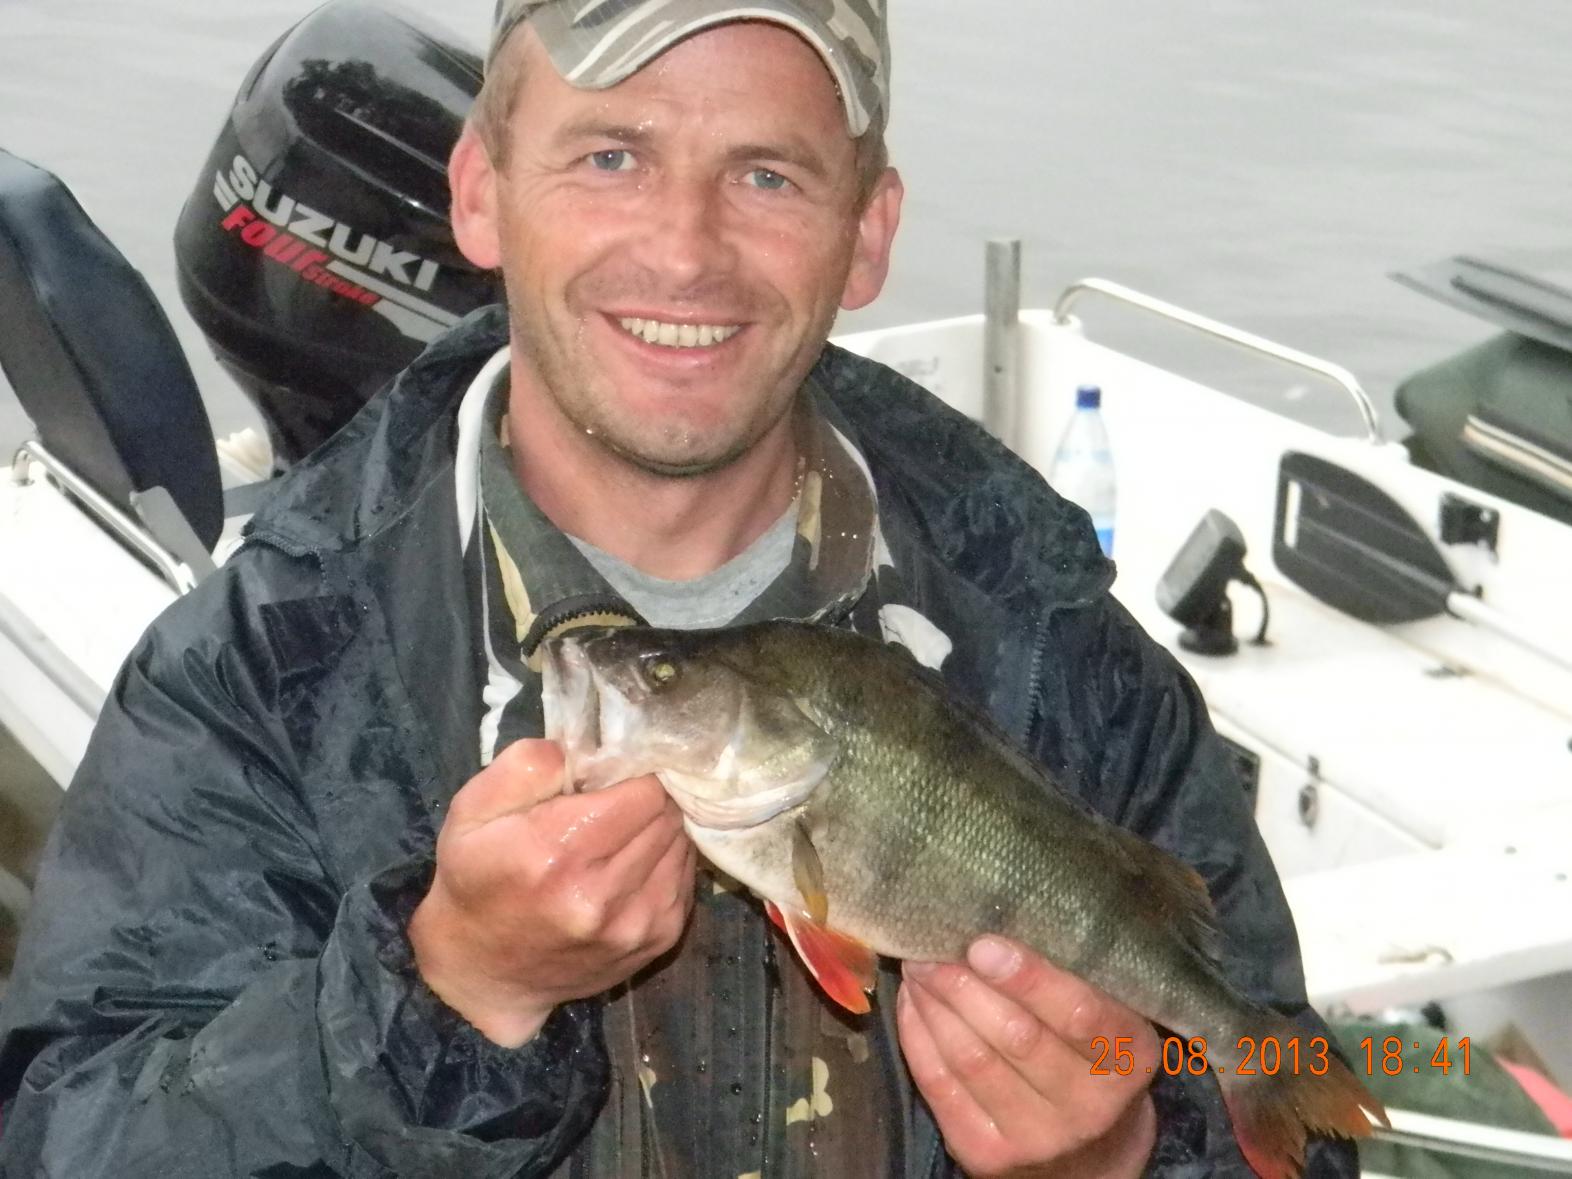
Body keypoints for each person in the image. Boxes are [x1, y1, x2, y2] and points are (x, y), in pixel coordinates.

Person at [0, 2, 1359, 1176]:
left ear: (868, 231)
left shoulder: (1067, 655)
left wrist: (1106, 1161)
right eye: (610, 156)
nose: (687, 249)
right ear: (479, 192)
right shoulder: (261, 671)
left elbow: (1300, 1110)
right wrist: (449, 997)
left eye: (767, 174)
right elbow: (70, 1137)